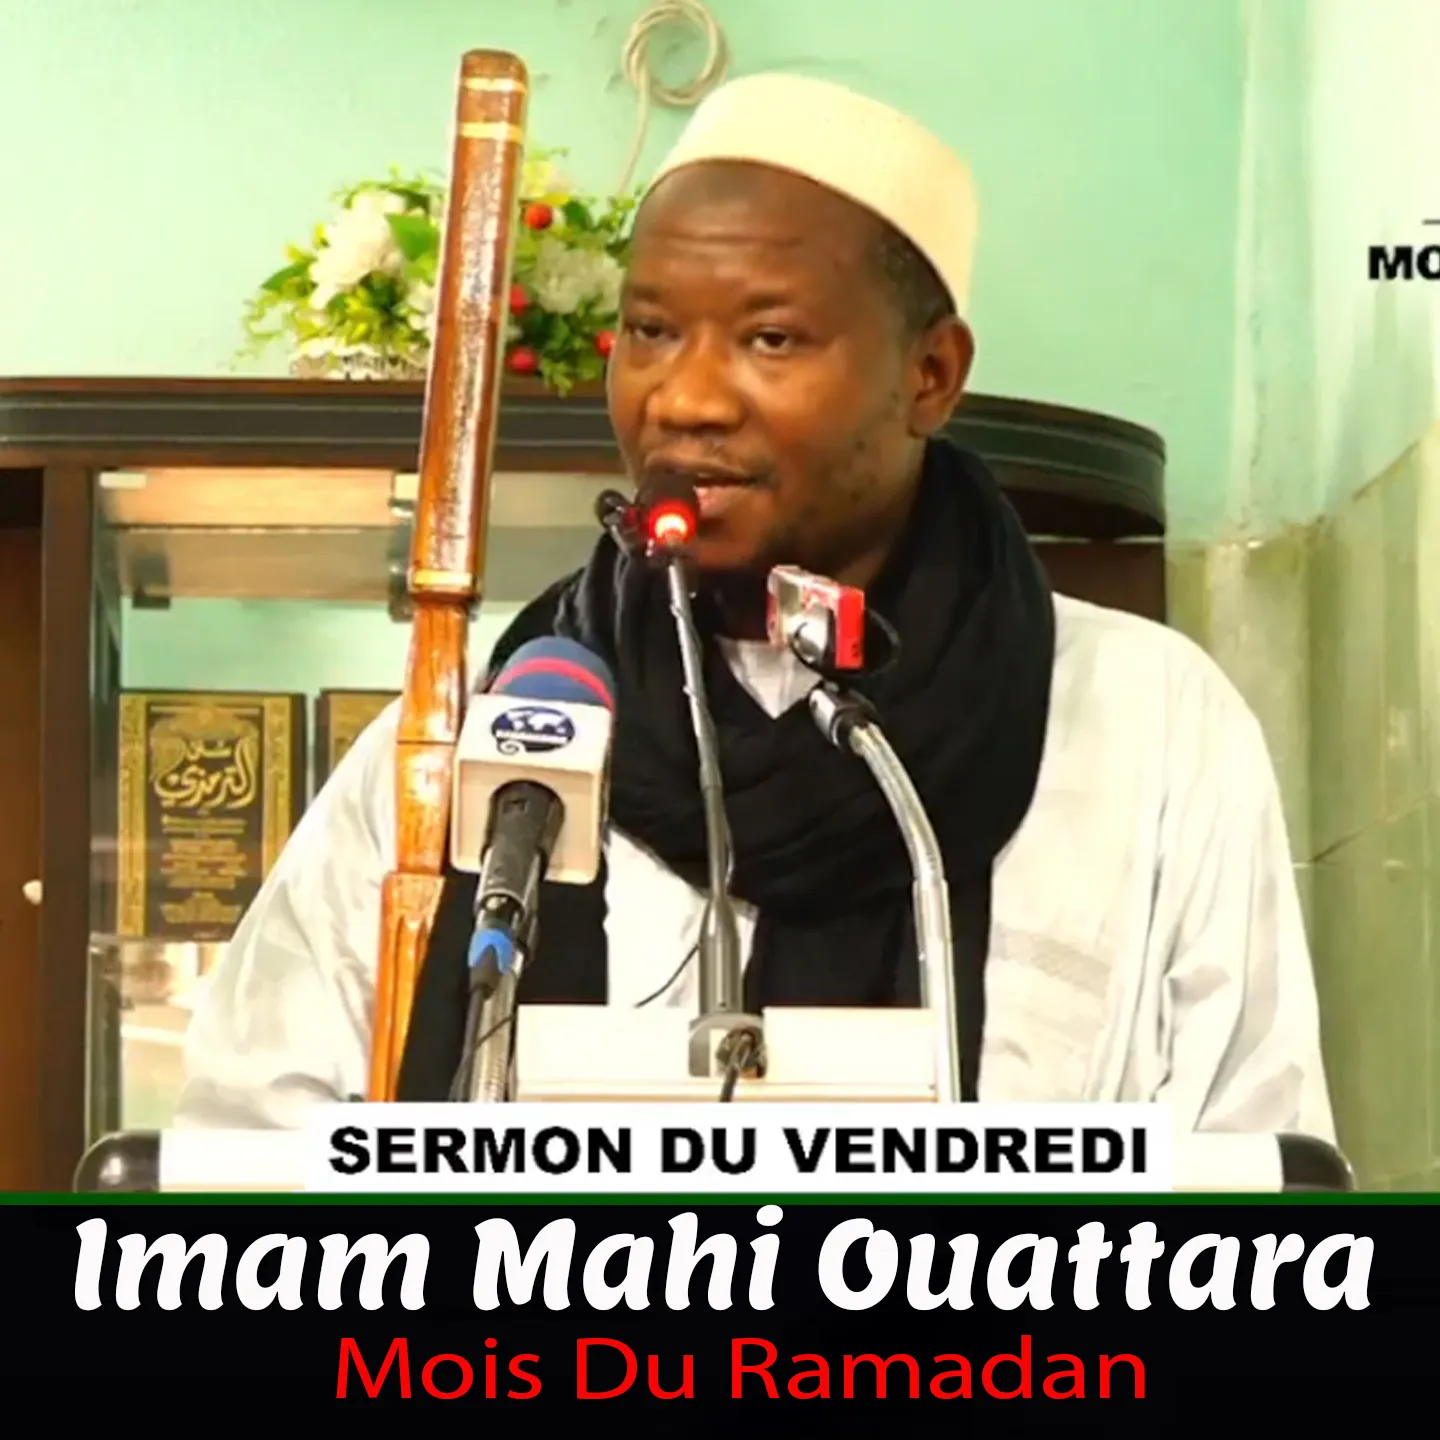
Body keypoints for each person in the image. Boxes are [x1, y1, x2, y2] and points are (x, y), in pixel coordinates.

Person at [176, 72, 1334, 1144]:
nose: (684, 399)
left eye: (770, 339)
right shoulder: (472, 746)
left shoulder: (1148, 727)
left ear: (931, 375)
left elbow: (1254, 1169)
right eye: (650, 331)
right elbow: (246, 1145)